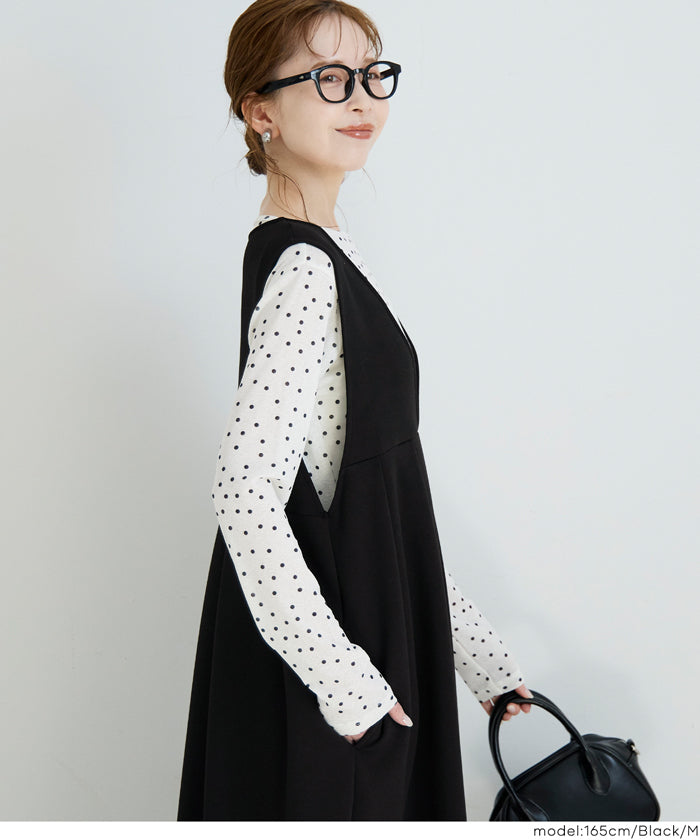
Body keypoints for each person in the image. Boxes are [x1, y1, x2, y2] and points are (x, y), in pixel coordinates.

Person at [177, 0, 534, 821]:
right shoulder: (305, 269)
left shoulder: (323, 254)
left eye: (373, 75)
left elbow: (380, 508)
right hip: (346, 675)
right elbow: (245, 492)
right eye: (329, 79)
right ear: (260, 111)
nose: (363, 99)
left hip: (365, 653)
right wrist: (345, 685)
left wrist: (478, 655)